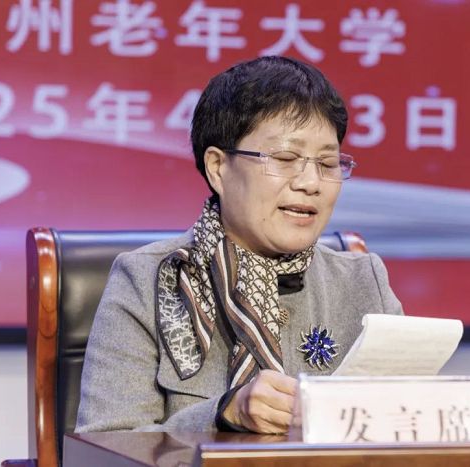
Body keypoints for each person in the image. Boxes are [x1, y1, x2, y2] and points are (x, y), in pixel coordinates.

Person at [75, 56, 404, 435]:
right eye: (285, 158)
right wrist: (221, 416)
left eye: (328, 164)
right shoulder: (145, 281)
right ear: (218, 168)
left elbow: (412, 425)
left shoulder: (363, 281)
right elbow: (104, 447)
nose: (311, 183)